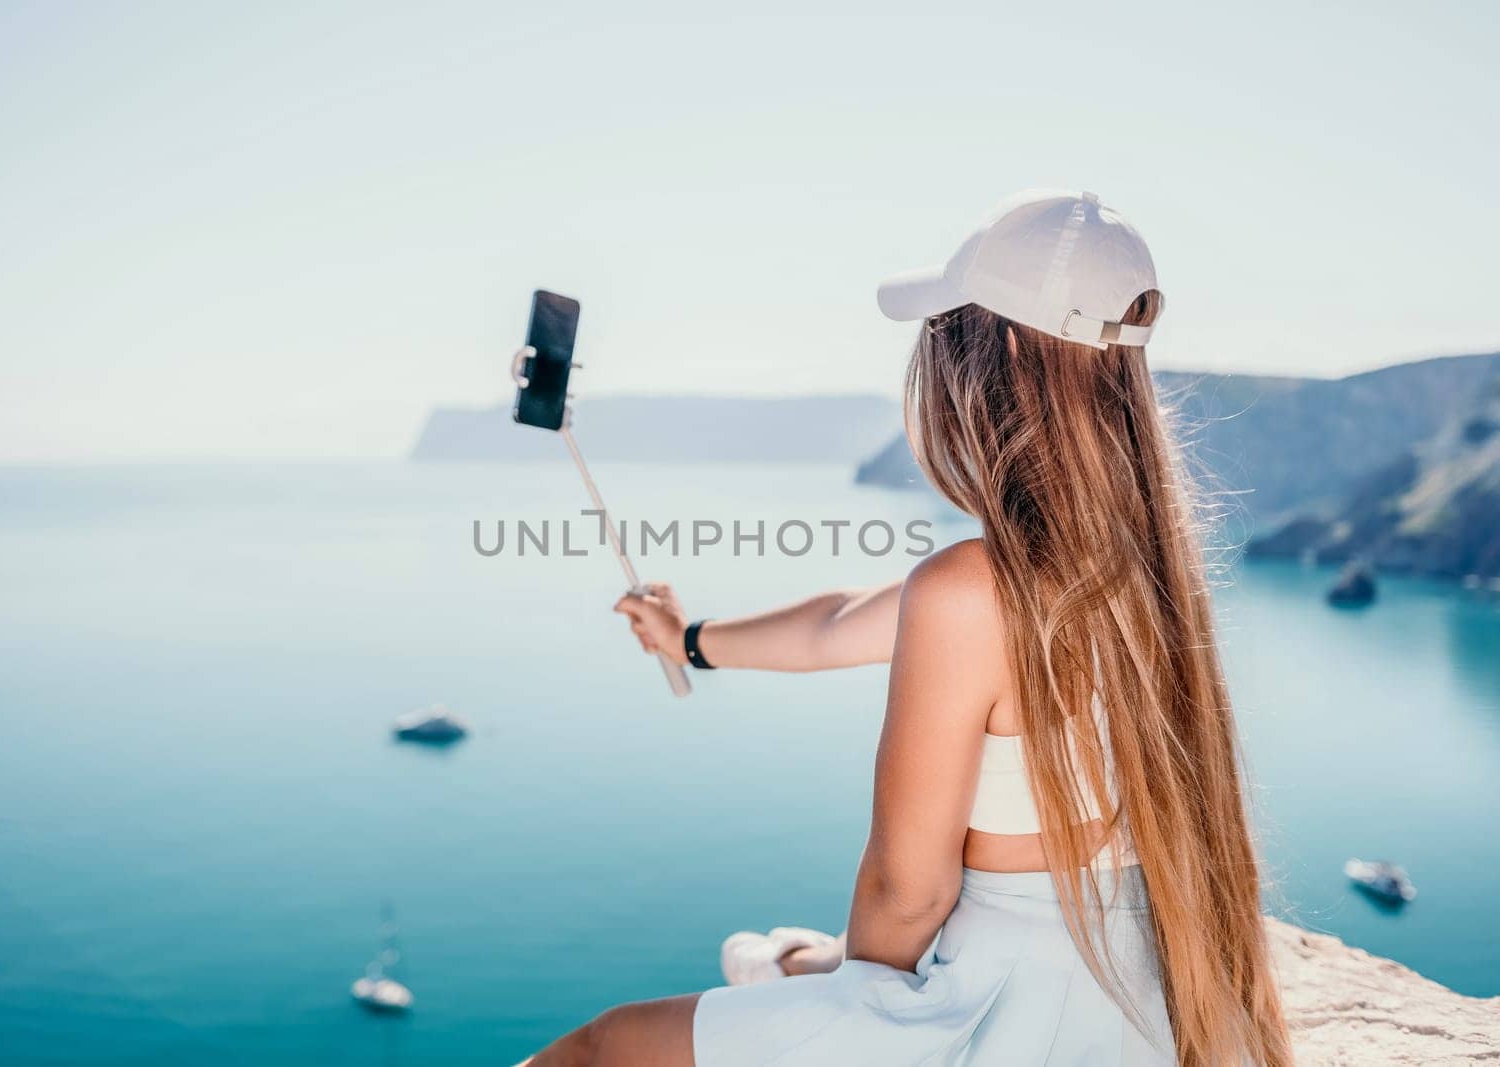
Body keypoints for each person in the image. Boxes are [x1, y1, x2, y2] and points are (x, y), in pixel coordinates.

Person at [522, 190, 1292, 1066]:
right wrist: (689, 636)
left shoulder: (971, 590)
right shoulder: (1139, 564)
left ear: (993, 350)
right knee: (800, 966)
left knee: (599, 1048)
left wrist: (849, 1009)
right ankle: (796, 962)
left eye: (937, 332)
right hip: (1133, 975)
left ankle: (799, 968)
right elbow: (840, 622)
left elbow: (907, 893)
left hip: (1020, 994)